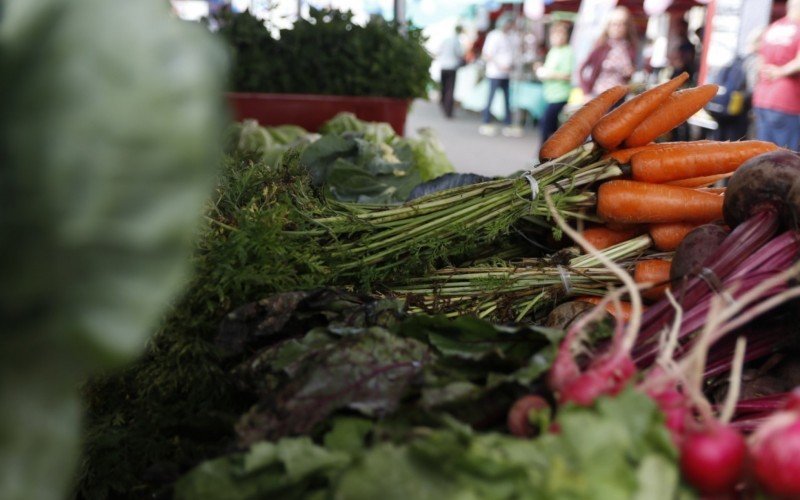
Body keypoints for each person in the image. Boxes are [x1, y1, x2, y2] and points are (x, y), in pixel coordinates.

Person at [753, 0, 800, 151]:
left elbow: (759, 58)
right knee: (783, 158)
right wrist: (781, 72)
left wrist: (770, 72)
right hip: (787, 100)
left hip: (763, 97)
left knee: (764, 154)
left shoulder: (773, 27)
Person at [578, 6, 638, 100]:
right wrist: (586, 92)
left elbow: (629, 75)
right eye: (615, 24)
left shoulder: (630, 49)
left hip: (620, 97)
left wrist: (629, 72)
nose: (618, 28)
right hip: (600, 96)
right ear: (608, 26)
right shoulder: (601, 47)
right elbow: (582, 69)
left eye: (622, 24)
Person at [479, 14, 521, 137]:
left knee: (507, 100)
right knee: (491, 98)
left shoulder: (511, 36)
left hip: (506, 74)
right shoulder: (494, 36)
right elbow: (487, 54)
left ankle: (508, 123)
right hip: (495, 73)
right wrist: (500, 66)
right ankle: (486, 121)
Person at [535, 21, 574, 145]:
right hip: (549, 94)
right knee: (551, 126)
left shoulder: (568, 52)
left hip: (561, 95)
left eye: (560, 35)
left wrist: (549, 74)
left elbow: (568, 75)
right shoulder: (553, 51)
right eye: (555, 35)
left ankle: (543, 153)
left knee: (546, 125)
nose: (557, 38)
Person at [436, 25, 465, 119]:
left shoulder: (446, 40)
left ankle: (443, 106)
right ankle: (448, 111)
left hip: (443, 66)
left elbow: (438, 51)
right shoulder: (456, 41)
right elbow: (459, 54)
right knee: (450, 89)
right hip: (452, 67)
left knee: (444, 88)